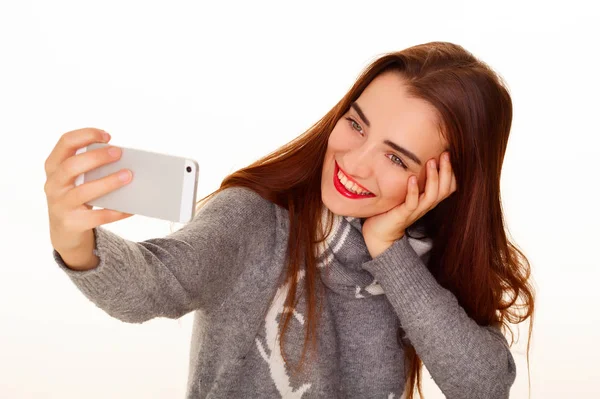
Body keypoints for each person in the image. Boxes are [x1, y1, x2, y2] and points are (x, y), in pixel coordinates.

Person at [45, 41, 535, 398]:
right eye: (356, 124)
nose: (354, 162)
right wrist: (73, 237)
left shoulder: (420, 258)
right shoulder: (257, 218)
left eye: (396, 158)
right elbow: (153, 288)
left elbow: (484, 386)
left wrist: (388, 249)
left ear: (445, 181)